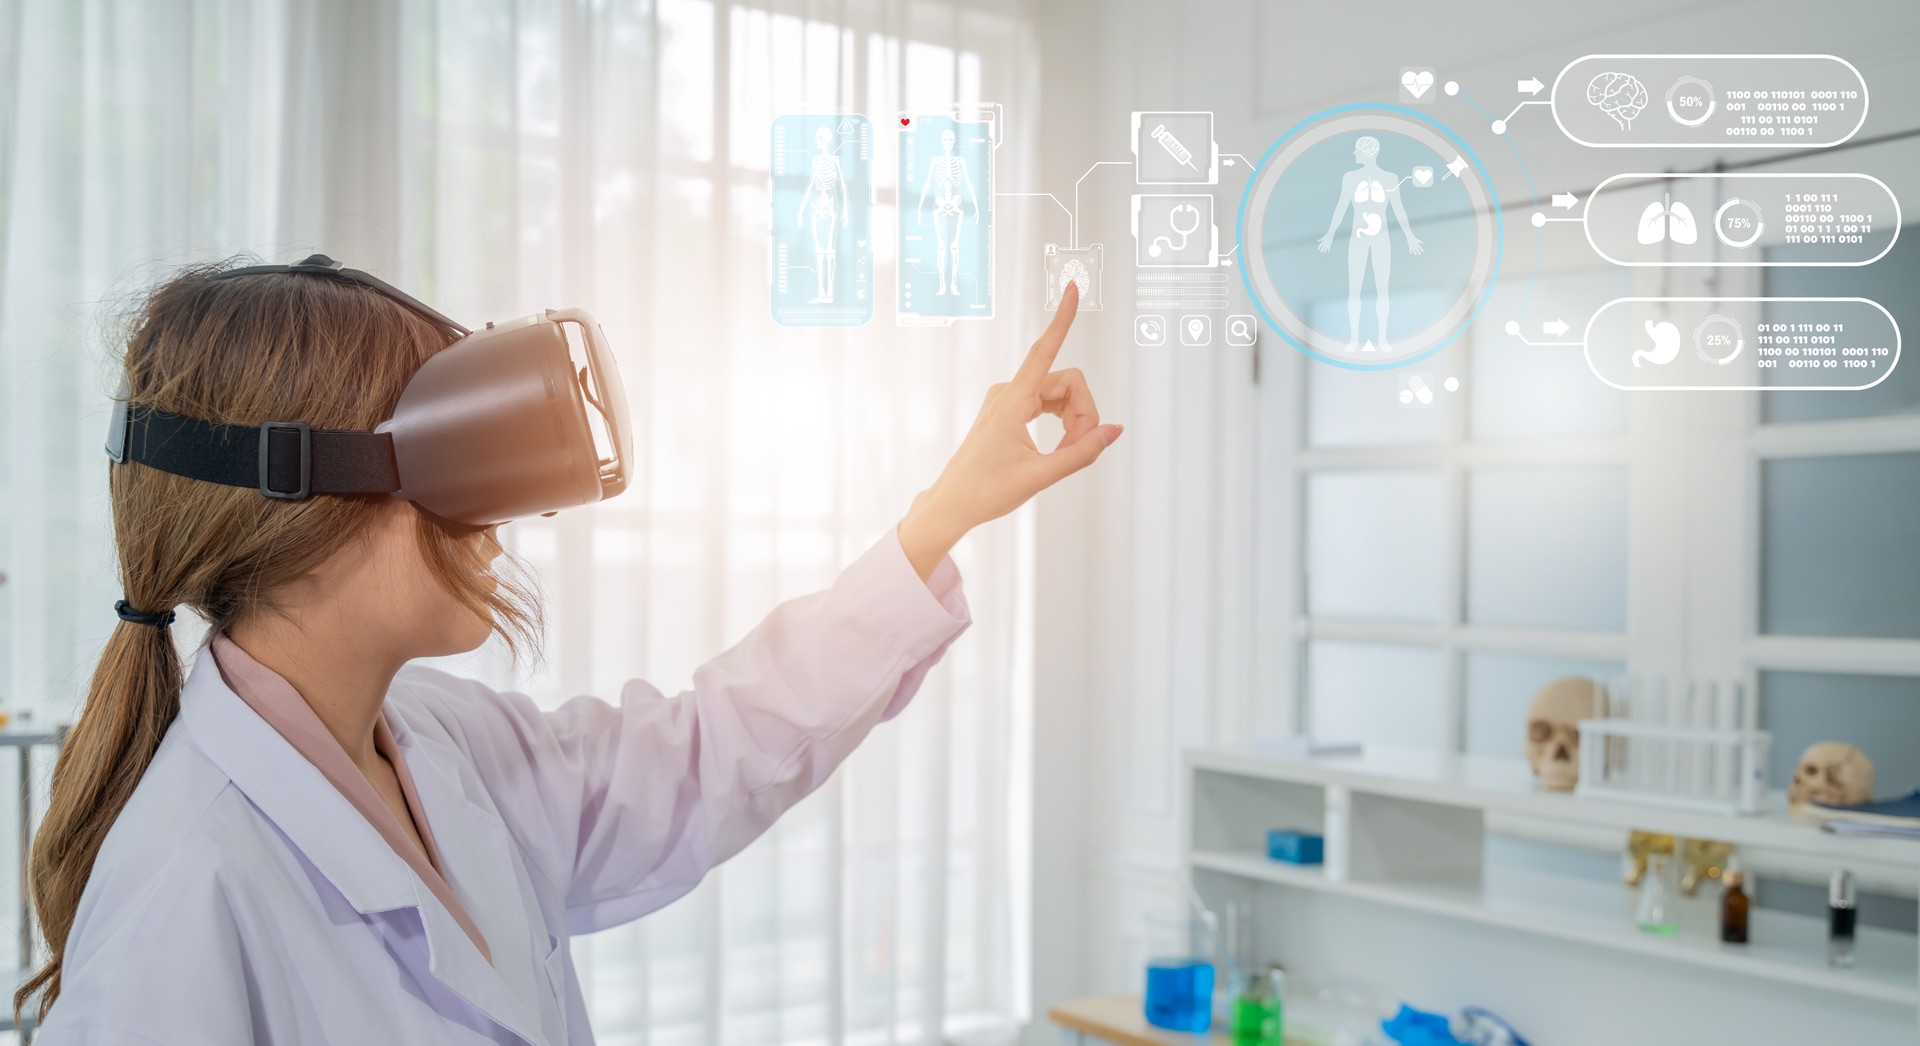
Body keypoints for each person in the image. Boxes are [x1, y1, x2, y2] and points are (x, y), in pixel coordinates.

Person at [22, 263, 1118, 1044]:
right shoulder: (185, 888)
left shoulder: (444, 742)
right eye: (456, 452)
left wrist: (941, 512)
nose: (501, 514)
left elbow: (703, 751)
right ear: (297, 500)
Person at [1315, 135, 1423, 353]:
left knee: (1382, 290)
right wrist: (1330, 234)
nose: (1354, 154)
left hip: (1382, 238)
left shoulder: (1390, 178)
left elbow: (1399, 208)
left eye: (1357, 150)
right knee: (1354, 290)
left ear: (1367, 152)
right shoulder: (1350, 178)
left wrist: (1409, 236)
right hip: (1358, 238)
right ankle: (1354, 338)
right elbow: (1341, 207)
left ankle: (1383, 338)